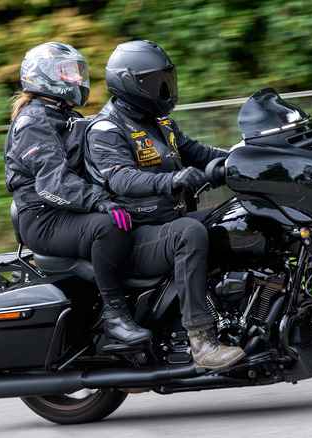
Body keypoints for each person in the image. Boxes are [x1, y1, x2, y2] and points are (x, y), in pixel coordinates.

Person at [85, 40, 245, 371]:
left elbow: (202, 154)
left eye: (166, 79)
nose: (164, 89)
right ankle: (201, 341)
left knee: (241, 215)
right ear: (128, 83)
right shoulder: (106, 129)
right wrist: (172, 180)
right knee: (189, 232)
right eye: (153, 82)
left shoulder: (161, 123)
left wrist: (246, 156)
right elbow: (121, 179)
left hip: (167, 221)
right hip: (136, 235)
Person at [4, 42, 151, 345]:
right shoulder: (32, 122)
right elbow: (52, 183)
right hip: (43, 216)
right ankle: (116, 316)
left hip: (67, 209)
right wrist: (101, 201)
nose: (76, 79)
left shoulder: (64, 115)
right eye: (67, 72)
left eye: (77, 72)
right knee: (108, 227)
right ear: (43, 76)